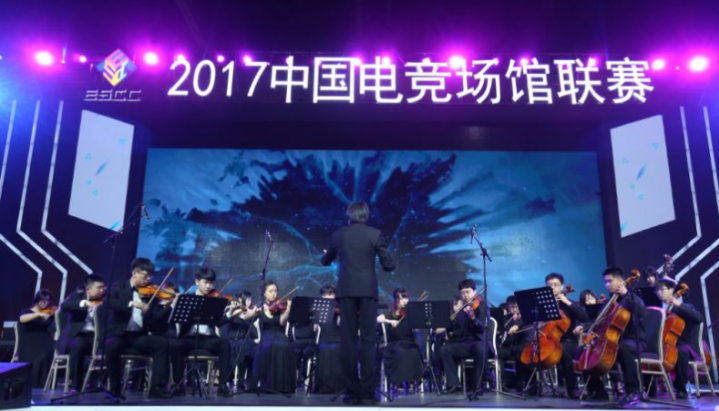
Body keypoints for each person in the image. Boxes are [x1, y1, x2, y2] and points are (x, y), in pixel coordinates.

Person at [320, 201, 395, 405]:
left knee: (348, 341)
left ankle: (351, 392)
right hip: (368, 292)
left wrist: (328, 254)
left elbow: (325, 261)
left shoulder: (338, 235)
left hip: (346, 292)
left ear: (349, 215)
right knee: (369, 341)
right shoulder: (375, 234)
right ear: (366, 215)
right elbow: (389, 265)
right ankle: (368, 392)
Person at [104, 258, 173, 399]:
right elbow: (108, 302)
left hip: (137, 336)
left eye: (150, 276)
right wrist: (132, 303)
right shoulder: (119, 286)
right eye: (145, 275)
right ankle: (115, 388)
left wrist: (168, 306)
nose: (149, 279)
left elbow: (154, 319)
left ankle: (156, 388)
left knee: (162, 343)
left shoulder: (150, 294)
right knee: (111, 346)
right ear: (134, 273)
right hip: (119, 334)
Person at [576, 267, 646, 405]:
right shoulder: (609, 303)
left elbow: (641, 312)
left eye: (610, 281)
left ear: (620, 281)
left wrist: (626, 294)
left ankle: (632, 391)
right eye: (605, 282)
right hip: (611, 340)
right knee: (583, 350)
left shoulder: (632, 298)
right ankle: (598, 391)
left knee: (623, 349)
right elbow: (598, 321)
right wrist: (583, 327)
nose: (607, 285)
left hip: (633, 340)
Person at [170, 268, 232, 397]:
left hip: (208, 339)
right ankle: (178, 384)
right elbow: (179, 320)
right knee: (176, 345)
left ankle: (222, 385)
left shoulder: (214, 300)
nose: (209, 286)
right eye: (206, 282)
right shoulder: (187, 299)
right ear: (197, 282)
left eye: (211, 283)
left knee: (225, 344)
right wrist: (178, 306)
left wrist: (229, 313)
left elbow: (218, 323)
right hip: (189, 339)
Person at [655, 278, 703, 399]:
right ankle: (650, 387)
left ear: (671, 290)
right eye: (657, 290)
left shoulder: (685, 306)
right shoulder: (658, 310)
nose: (659, 292)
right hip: (665, 342)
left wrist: (679, 305)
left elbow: (698, 318)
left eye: (662, 289)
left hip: (684, 343)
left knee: (680, 351)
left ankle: (681, 388)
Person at [439, 279, 487, 395]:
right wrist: (449, 321)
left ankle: (477, 386)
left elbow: (482, 328)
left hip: (478, 341)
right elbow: (455, 327)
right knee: (444, 349)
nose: (465, 295)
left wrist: (473, 318)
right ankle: (453, 384)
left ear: (475, 291)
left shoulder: (482, 306)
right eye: (462, 293)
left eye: (468, 292)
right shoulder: (462, 309)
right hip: (464, 344)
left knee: (480, 348)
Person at [545, 273, 589, 399]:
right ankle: (531, 387)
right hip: (548, 340)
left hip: (568, 341)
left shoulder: (570, 303)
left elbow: (585, 318)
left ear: (562, 286)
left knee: (564, 350)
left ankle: (572, 388)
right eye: (549, 285)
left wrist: (566, 301)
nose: (552, 287)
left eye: (555, 285)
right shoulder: (545, 305)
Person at [248, 280, 296, 393]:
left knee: (284, 346)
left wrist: (288, 310)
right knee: (269, 346)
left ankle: (281, 385)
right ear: (264, 293)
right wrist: (256, 311)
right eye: (270, 291)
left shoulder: (279, 307)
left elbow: (282, 322)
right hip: (266, 334)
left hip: (279, 334)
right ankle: (266, 383)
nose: (274, 294)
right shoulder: (259, 306)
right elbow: (248, 317)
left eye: (275, 291)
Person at [60, 274, 106, 392]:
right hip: (79, 335)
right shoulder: (77, 296)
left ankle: (98, 382)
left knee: (111, 346)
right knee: (78, 346)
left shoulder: (105, 300)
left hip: (97, 337)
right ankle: (76, 384)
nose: (102, 290)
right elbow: (64, 306)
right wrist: (83, 303)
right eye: (99, 288)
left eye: (103, 288)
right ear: (88, 289)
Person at [377, 288, 423, 388]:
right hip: (394, 344)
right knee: (400, 352)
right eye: (402, 298)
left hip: (409, 343)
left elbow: (417, 328)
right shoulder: (390, 314)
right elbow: (378, 319)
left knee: (413, 352)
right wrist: (390, 321)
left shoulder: (410, 314)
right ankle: (399, 382)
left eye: (406, 298)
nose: (405, 301)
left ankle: (411, 380)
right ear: (396, 300)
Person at [17, 289, 56, 388]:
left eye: (48, 300)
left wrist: (56, 316)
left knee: (50, 350)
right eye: (43, 300)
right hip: (30, 342)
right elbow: (22, 319)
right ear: (37, 299)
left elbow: (52, 328)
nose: (46, 303)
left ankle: (45, 384)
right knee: (43, 353)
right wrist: (38, 314)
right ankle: (34, 382)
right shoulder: (26, 312)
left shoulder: (48, 314)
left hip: (45, 342)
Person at [314, 285, 346, 393]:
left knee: (337, 349)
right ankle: (324, 385)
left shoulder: (338, 307)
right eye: (325, 294)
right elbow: (314, 328)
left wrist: (342, 314)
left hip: (337, 337)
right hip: (324, 337)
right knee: (324, 349)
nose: (328, 297)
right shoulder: (318, 307)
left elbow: (340, 324)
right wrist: (314, 322)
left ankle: (338, 385)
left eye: (330, 294)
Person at [224, 290, 258, 390]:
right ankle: (236, 378)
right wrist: (248, 313)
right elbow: (240, 318)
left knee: (254, 348)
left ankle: (248, 380)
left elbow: (252, 330)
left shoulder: (249, 311)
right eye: (247, 299)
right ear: (240, 299)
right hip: (233, 340)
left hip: (245, 340)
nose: (250, 302)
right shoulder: (232, 310)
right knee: (244, 348)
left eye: (250, 299)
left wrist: (253, 313)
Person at [497, 296, 530, 391]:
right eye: (511, 307)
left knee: (521, 353)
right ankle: (505, 382)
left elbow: (523, 326)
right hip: (509, 346)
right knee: (498, 353)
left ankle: (520, 382)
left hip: (522, 345)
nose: (513, 309)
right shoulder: (505, 318)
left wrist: (517, 324)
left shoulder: (526, 316)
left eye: (516, 307)